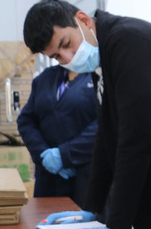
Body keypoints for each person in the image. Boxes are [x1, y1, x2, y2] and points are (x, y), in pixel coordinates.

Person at [22, 0, 151, 229]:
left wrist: (115, 223)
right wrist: (91, 207)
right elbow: (107, 133)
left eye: (66, 44)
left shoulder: (127, 41)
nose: (68, 59)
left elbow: (135, 138)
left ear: (83, 20)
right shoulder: (102, 53)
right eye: (57, 57)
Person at [17, 65, 97, 207]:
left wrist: (65, 154)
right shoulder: (45, 78)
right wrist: (43, 153)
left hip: (86, 175)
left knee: (84, 223)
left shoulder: (99, 77)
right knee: (46, 223)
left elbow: (105, 124)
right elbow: (26, 121)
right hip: (48, 177)